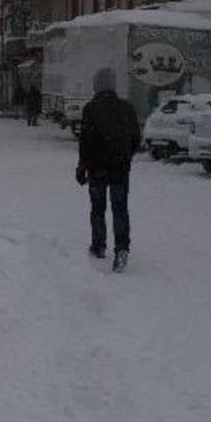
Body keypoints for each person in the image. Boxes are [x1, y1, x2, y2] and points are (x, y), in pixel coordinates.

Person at [75, 68, 141, 272]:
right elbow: (136, 138)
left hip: (97, 168)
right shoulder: (127, 108)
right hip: (120, 168)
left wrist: (82, 165)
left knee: (98, 208)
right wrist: (126, 155)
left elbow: (86, 140)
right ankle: (122, 248)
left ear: (97, 84)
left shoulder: (91, 109)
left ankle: (99, 245)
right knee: (120, 208)